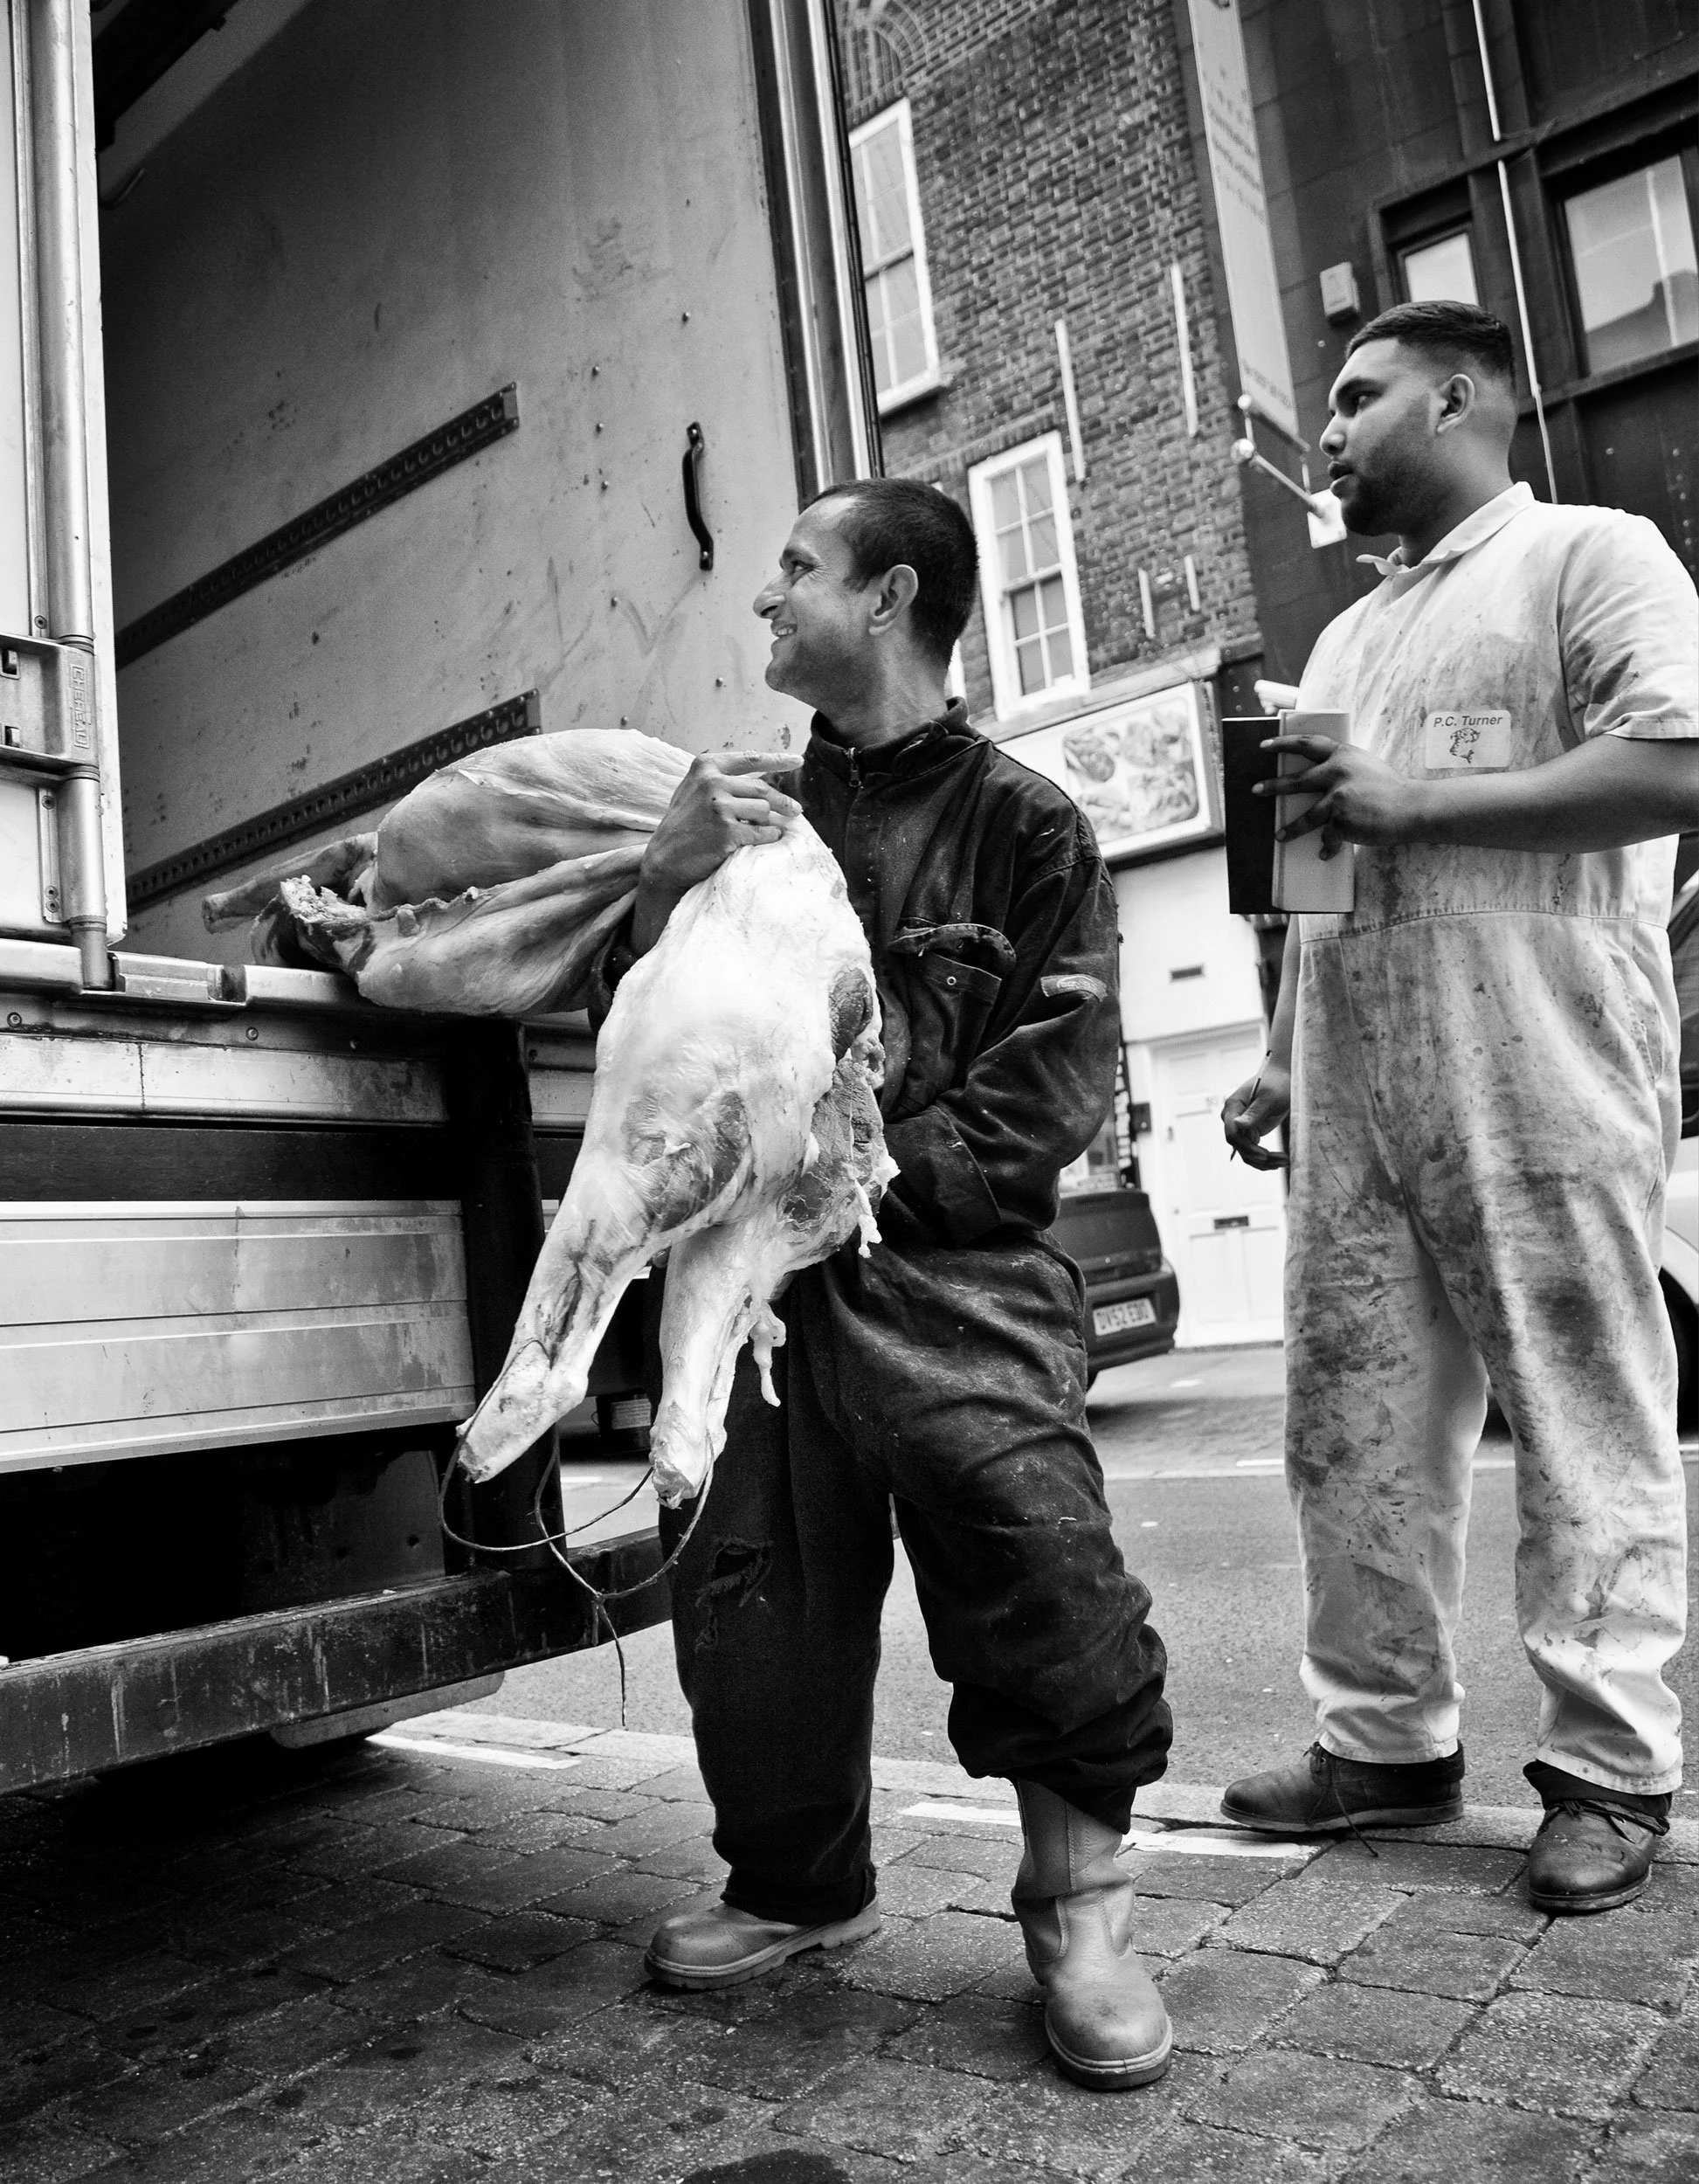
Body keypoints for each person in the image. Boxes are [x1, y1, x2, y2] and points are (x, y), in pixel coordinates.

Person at [593, 477, 1174, 2087]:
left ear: (890, 596)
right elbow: (647, 1039)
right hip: (753, 1297)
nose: (765, 595)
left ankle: (1081, 1913)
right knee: (746, 1597)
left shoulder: (1027, 826)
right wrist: (661, 880)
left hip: (952, 1273)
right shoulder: (746, 817)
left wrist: (831, 1185)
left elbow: (1046, 1095)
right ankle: (798, 1887)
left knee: (1036, 1558)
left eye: (797, 567)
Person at [1219, 301, 1699, 1912]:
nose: (1329, 432)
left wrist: (1420, 801)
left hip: (1542, 1051)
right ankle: (1383, 1743)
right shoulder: (1342, 643)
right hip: (1358, 1074)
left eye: (1359, 397)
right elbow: (1314, 877)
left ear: (1459, 396)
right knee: (1349, 1421)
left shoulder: (1590, 555)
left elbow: (1684, 761)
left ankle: (1610, 1767)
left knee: (1578, 1407)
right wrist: (1282, 1054)